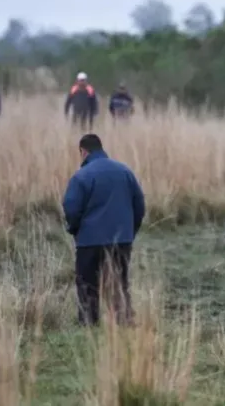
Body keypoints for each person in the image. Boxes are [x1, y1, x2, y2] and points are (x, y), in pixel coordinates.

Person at [62, 134, 146, 326]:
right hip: (121, 240)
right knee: (119, 283)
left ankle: (89, 325)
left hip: (89, 241)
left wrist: (75, 229)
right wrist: (129, 232)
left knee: (87, 284)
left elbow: (71, 208)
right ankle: (124, 323)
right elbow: (139, 205)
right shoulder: (125, 171)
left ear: (83, 151)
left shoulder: (81, 176)